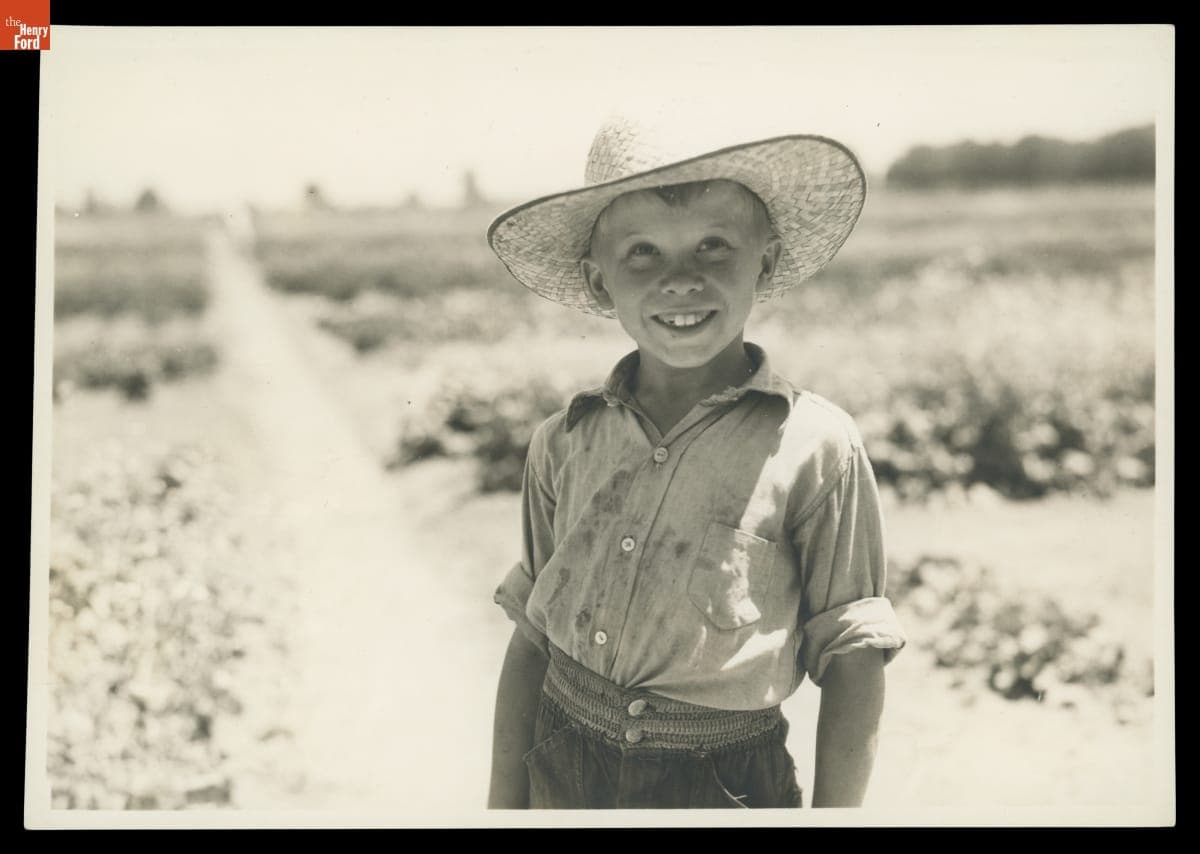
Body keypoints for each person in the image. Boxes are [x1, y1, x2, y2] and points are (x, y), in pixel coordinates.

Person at [485, 116, 907, 810]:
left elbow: (854, 654)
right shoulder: (563, 441)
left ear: (764, 263)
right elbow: (532, 636)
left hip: (723, 785)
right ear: (599, 281)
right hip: (561, 762)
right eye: (643, 253)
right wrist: (502, 810)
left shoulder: (816, 446)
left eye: (714, 246)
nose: (681, 280)